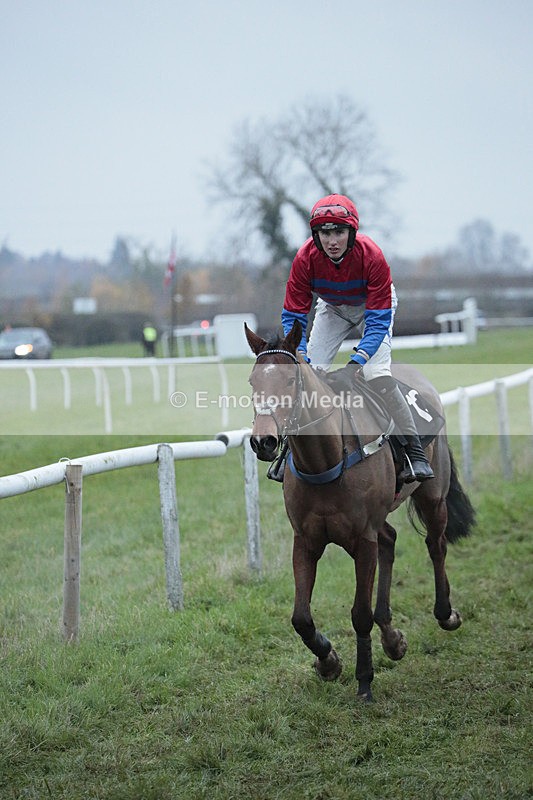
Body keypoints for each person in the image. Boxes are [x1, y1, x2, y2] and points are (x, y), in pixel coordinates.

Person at [280, 193, 434, 483]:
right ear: (316, 235)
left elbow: (376, 323)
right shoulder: (304, 258)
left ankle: (415, 454)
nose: (332, 241)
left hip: (373, 307)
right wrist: (298, 353)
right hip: (332, 308)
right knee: (307, 376)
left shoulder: (372, 255)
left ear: (352, 232)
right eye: (324, 234)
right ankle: (286, 453)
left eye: (339, 232)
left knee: (376, 374)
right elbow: (294, 317)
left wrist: (356, 363)